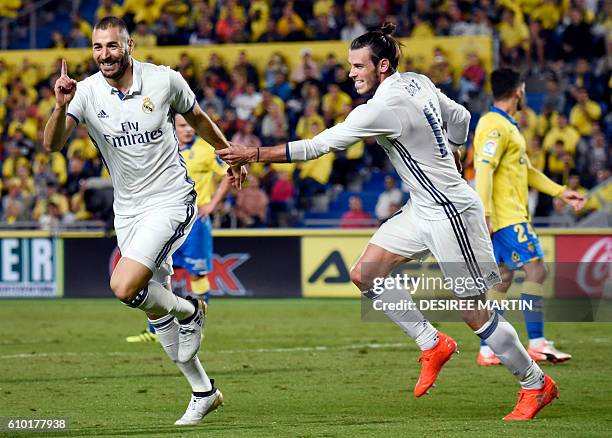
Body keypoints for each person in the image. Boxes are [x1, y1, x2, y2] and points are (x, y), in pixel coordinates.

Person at [218, 23, 560, 421]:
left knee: (473, 309)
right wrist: (449, 149)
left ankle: (536, 384)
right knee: (366, 273)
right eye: (350, 66)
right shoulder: (418, 82)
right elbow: (463, 119)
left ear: (382, 66)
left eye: (358, 66)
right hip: (422, 207)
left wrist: (253, 153)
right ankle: (431, 342)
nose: (351, 74)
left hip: (451, 211)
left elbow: (316, 146)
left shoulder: (381, 109)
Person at [42, 16, 244, 426]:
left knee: (124, 285)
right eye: (98, 48)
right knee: (152, 307)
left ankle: (191, 311)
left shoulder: (163, 80)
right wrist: (61, 104)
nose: (105, 55)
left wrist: (227, 152)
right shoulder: (84, 92)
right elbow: (52, 144)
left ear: (129, 45)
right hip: (128, 209)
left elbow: (199, 116)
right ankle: (203, 391)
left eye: (112, 46)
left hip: (171, 199)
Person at [473, 68, 585, 366]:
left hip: (502, 216)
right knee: (536, 270)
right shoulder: (494, 125)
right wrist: (484, 213)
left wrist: (560, 192)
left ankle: (488, 349)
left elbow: (527, 171)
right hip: (507, 217)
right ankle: (537, 342)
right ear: (519, 91)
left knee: (502, 278)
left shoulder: (507, 125)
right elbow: (484, 168)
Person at [126, 113, 231, 343]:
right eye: (183, 126)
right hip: (167, 221)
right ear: (173, 125)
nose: (188, 130)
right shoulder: (164, 148)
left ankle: (197, 326)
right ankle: (156, 331)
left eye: (191, 125)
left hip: (196, 222)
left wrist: (212, 204)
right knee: (157, 273)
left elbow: (229, 173)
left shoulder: (206, 149)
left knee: (198, 273)